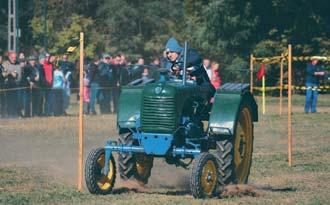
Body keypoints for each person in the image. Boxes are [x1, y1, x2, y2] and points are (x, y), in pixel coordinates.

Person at [2, 51, 22, 118]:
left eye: (15, 57)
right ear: (9, 57)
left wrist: (11, 74)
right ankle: (8, 114)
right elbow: (4, 74)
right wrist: (11, 72)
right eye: (12, 57)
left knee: (15, 101)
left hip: (15, 86)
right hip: (7, 86)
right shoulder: (5, 64)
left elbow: (19, 77)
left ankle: (14, 114)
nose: (14, 59)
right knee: (7, 101)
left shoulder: (18, 65)